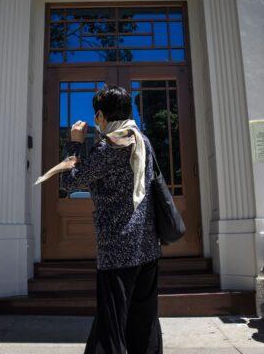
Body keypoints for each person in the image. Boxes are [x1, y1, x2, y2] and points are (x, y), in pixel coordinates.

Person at [59, 84, 163, 354]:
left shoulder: (110, 146)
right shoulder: (142, 139)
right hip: (148, 244)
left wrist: (74, 142)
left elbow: (69, 182)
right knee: (145, 322)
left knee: (111, 322)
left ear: (102, 116)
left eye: (97, 115)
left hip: (118, 248)